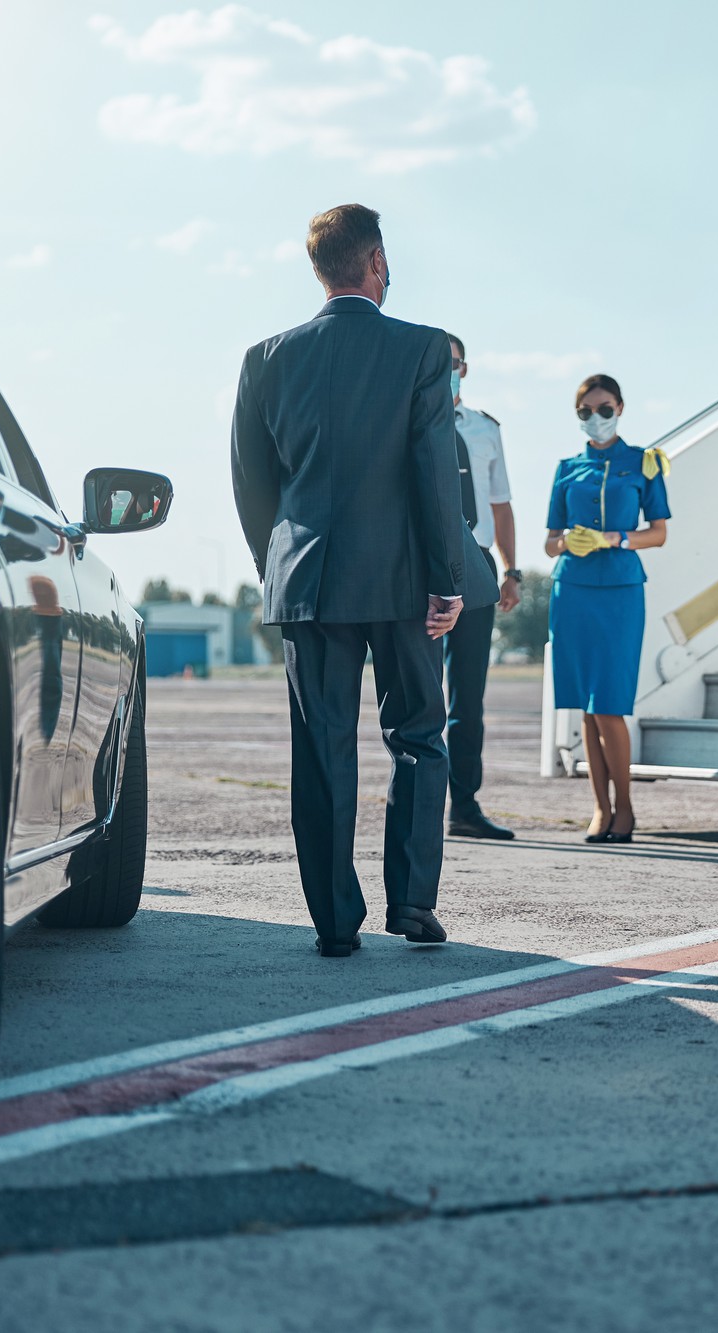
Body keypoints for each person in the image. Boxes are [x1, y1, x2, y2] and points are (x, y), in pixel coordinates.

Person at [230, 203, 470, 957]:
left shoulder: (266, 358)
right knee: (420, 737)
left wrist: (282, 567)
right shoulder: (424, 350)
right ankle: (413, 904)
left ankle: (335, 921)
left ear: (318, 268)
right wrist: (448, 577)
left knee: (323, 749)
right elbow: (435, 473)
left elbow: (250, 483)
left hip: (310, 580)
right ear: (376, 262)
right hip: (403, 581)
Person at [544, 374, 671, 844]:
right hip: (572, 591)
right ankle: (600, 808)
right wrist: (567, 543)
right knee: (586, 707)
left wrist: (613, 538)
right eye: (585, 412)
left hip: (620, 591)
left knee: (611, 703)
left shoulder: (644, 463)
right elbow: (550, 542)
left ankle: (627, 808)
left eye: (603, 408)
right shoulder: (566, 468)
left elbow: (657, 532)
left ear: (620, 407)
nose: (594, 418)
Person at [445, 333, 524, 841]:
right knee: (418, 692)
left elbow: (500, 504)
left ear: (465, 369)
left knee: (468, 695)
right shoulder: (408, 420)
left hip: (476, 561)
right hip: (423, 562)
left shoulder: (485, 429)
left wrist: (512, 569)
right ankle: (417, 799)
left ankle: (464, 805)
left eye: (452, 363)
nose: (445, 370)